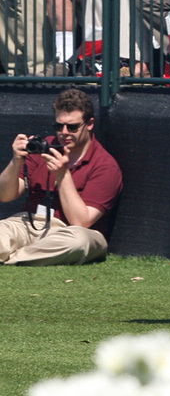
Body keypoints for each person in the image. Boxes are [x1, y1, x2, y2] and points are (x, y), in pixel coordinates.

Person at [1, 89, 121, 266]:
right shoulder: (43, 147)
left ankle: (13, 258)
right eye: (59, 126)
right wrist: (16, 160)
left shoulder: (105, 166)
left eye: (72, 127)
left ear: (89, 124)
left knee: (80, 242)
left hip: (70, 231)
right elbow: (5, 196)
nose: (64, 132)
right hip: (30, 222)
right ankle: (27, 255)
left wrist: (62, 175)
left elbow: (81, 222)